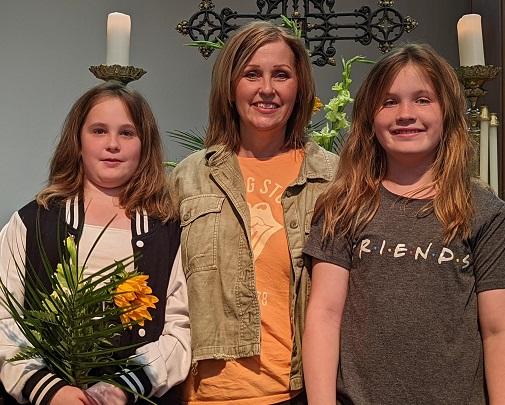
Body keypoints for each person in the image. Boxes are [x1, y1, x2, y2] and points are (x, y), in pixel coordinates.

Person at [302, 43, 505, 404]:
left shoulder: (482, 210)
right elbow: (324, 316)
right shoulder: (344, 205)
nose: (406, 114)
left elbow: (497, 330)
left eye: (423, 100)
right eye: (389, 102)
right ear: (369, 118)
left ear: (447, 112)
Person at [170, 20, 337, 405]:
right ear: (230, 87)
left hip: (295, 392)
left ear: (300, 87)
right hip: (203, 395)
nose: (267, 89)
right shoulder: (190, 176)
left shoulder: (333, 178)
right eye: (251, 74)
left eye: (281, 75)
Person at [0, 81, 191, 405]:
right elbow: (4, 320)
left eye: (127, 133)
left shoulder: (168, 232)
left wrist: (122, 388)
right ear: (77, 141)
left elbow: (180, 330)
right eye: (99, 131)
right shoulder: (33, 223)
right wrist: (49, 390)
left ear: (145, 145)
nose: (112, 144)